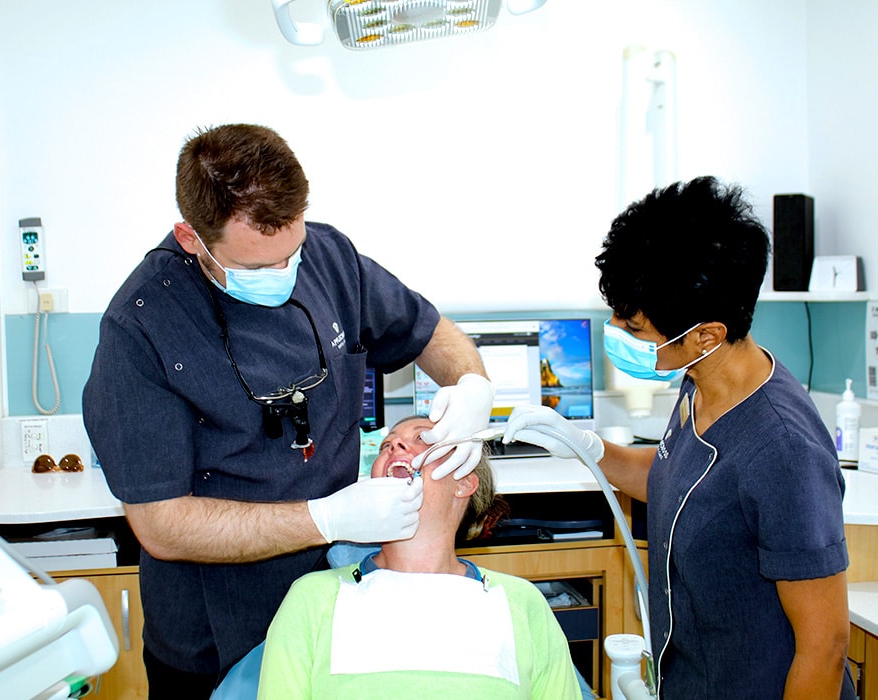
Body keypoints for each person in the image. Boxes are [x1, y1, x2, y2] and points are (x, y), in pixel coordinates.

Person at [82, 123, 494, 698]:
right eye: (255, 268)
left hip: (337, 603)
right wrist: (326, 519)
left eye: (291, 253)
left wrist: (472, 384)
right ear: (190, 237)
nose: (283, 274)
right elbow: (161, 525)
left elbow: (428, 332)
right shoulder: (142, 328)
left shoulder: (328, 258)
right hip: (214, 636)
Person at [504, 177, 856, 699]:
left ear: (706, 334)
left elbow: (823, 646)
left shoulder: (784, 451)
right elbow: (679, 480)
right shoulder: (700, 381)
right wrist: (588, 448)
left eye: (636, 328)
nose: (619, 332)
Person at [256, 416, 584, 700]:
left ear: (465, 483)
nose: (395, 446)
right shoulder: (313, 597)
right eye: (387, 445)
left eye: (422, 439)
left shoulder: (520, 602)